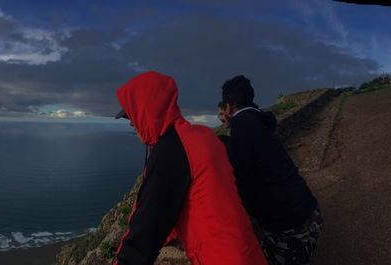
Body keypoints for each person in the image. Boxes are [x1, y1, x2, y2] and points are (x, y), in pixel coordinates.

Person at [112, 71, 265, 265]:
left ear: (146, 110)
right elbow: (191, 200)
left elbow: (144, 234)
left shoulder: (172, 150)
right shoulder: (201, 135)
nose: (131, 122)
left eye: (131, 114)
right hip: (247, 252)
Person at [218, 75, 323, 265]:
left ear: (229, 105)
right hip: (310, 212)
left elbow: (236, 171)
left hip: (290, 227)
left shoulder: (242, 125)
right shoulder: (261, 120)